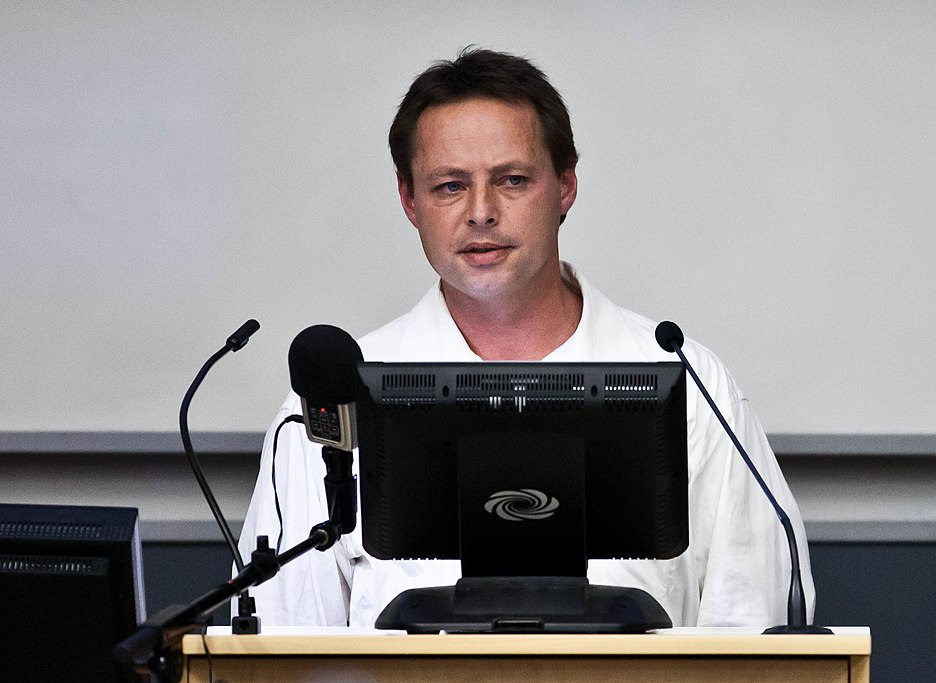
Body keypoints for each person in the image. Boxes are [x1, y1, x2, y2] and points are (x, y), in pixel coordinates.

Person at [237, 47, 815, 628]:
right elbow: (283, 644)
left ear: (565, 187)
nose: (481, 212)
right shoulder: (329, 402)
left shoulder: (695, 385)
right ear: (409, 200)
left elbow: (757, 634)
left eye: (512, 180)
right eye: (449, 186)